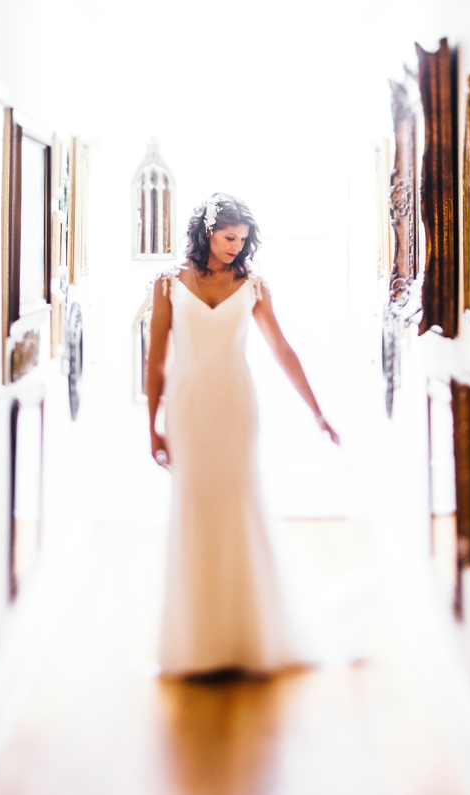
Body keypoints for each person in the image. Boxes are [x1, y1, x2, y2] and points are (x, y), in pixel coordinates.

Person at [145, 193, 341, 677]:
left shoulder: (253, 286)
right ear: (206, 232)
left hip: (235, 406)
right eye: (229, 237)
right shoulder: (168, 283)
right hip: (188, 408)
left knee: (237, 504)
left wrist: (318, 412)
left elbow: (282, 349)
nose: (236, 246)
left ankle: (246, 634)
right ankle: (198, 641)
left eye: (242, 239)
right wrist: (152, 425)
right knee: (194, 509)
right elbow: (156, 360)